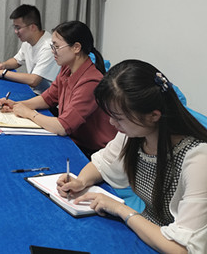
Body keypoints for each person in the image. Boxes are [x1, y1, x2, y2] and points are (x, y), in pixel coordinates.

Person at [57, 60, 207, 254]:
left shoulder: (198, 159)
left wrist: (121, 210)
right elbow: (103, 164)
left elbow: (182, 248)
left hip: (165, 241)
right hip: (146, 231)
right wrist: (81, 181)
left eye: (118, 117)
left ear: (153, 116)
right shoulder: (135, 134)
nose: (112, 123)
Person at [0, 20, 116, 156]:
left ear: (76, 47)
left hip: (91, 151)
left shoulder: (91, 81)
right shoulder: (67, 68)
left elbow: (63, 126)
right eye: (52, 46)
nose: (53, 51)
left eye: (56, 47)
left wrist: (28, 113)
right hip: (72, 138)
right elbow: (48, 98)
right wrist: (17, 105)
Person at [0, 4, 59, 94]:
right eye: (14, 27)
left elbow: (34, 80)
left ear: (32, 27)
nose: (15, 31)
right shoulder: (27, 42)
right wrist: (3, 65)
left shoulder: (49, 47)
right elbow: (17, 61)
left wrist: (3, 73)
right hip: (35, 92)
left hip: (48, 98)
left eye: (18, 28)